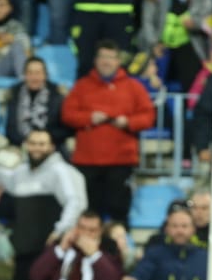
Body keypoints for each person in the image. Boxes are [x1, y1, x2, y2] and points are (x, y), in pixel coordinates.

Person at [0, 128, 87, 280]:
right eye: (32, 143)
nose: (36, 148)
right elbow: (2, 177)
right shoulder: (21, 173)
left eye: (42, 144)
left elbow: (76, 202)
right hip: (23, 253)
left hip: (49, 254)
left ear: (51, 147)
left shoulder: (62, 172)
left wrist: (60, 230)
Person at [62, 39, 156, 224]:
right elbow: (67, 114)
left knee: (119, 214)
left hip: (121, 161)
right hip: (87, 161)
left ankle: (117, 249)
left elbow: (148, 116)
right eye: (103, 57)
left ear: (118, 61)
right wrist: (89, 118)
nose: (106, 62)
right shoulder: (81, 86)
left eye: (111, 58)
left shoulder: (134, 87)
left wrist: (128, 122)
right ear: (96, 60)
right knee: (88, 214)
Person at [135, 0, 212, 93]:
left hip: (190, 45)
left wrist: (194, 23)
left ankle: (188, 107)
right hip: (159, 44)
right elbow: (147, 20)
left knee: (192, 78)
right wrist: (154, 44)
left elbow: (208, 18)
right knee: (152, 75)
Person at [5, 56, 71, 149]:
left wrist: (44, 142)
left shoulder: (57, 94)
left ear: (45, 75)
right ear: (24, 75)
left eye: (38, 73)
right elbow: (10, 128)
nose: (34, 77)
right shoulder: (14, 93)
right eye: (30, 73)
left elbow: (64, 129)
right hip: (20, 145)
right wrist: (26, 143)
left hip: (51, 145)